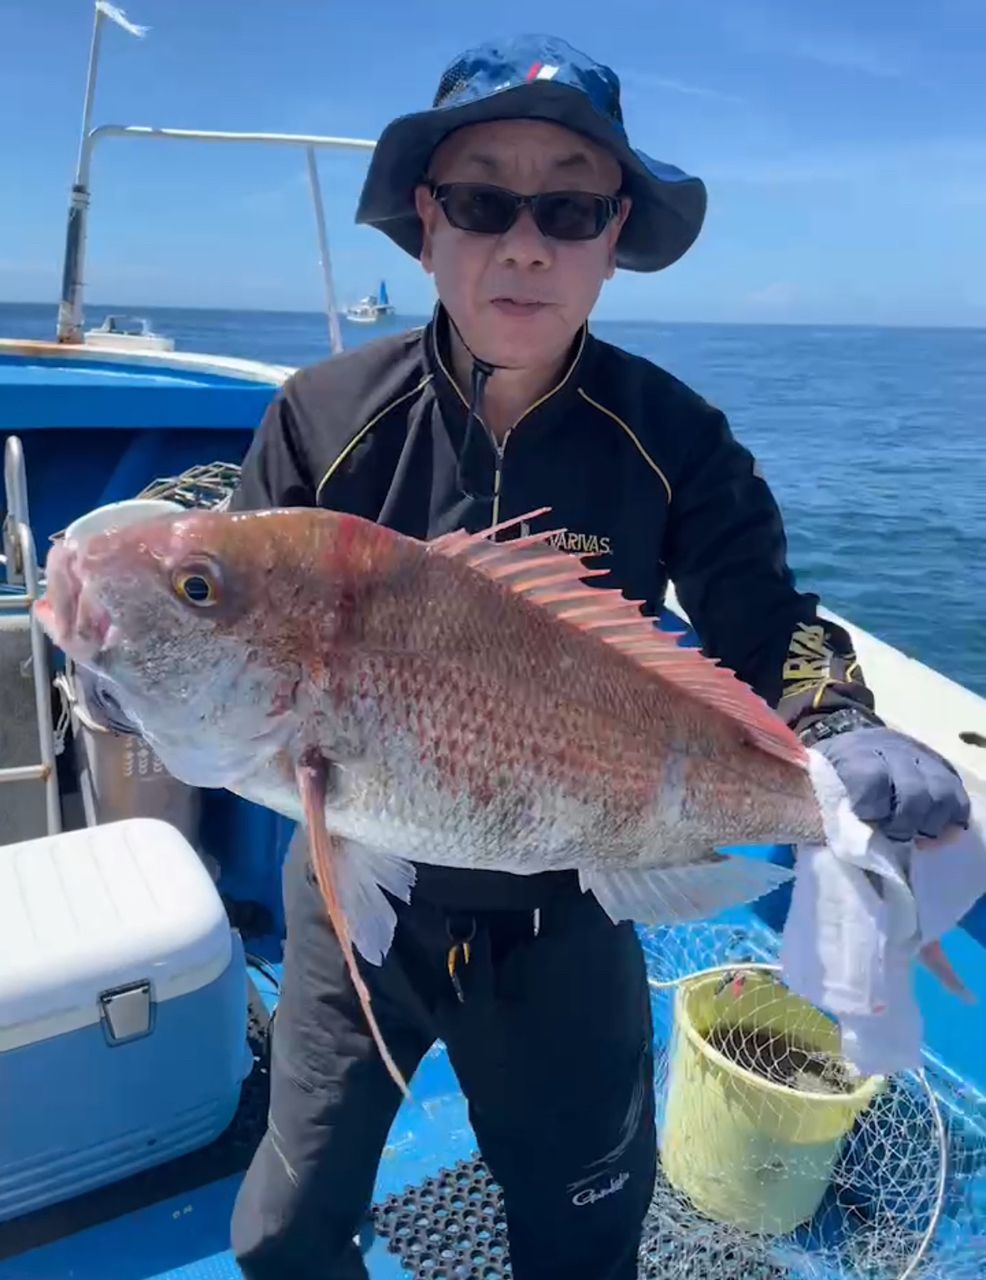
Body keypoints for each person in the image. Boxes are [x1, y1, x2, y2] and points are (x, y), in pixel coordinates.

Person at [227, 34, 970, 1280]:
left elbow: (757, 608)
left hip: (567, 906)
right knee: (282, 1234)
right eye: (482, 201)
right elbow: (236, 598)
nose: (524, 243)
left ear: (612, 230)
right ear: (426, 219)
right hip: (351, 901)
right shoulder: (321, 415)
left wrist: (836, 722)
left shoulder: (670, 431)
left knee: (579, 1239)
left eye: (567, 207)